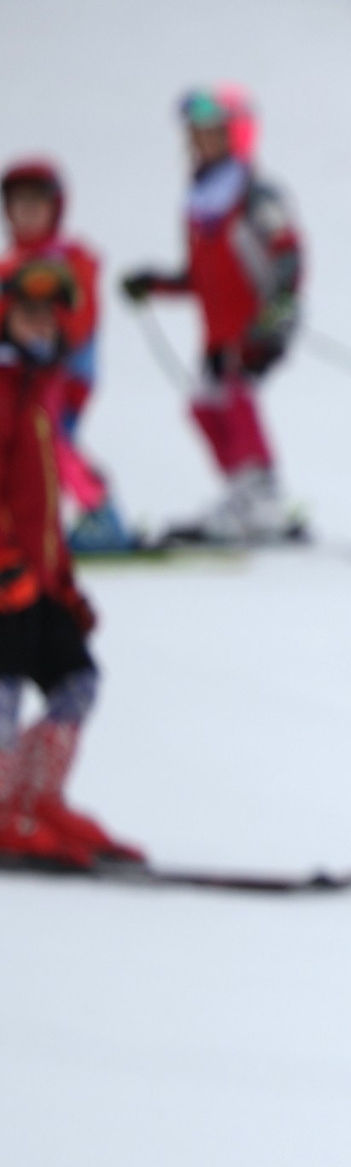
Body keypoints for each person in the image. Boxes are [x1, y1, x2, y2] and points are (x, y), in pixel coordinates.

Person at [0, 256, 140, 868]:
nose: (40, 327)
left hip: (30, 584)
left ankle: (38, 797)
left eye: (48, 317)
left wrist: (62, 584)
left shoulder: (38, 394)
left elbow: (42, 506)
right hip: (4, 581)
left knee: (77, 680)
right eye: (27, 315)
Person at [120, 86, 303, 543]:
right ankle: (243, 493)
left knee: (233, 397)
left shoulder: (255, 195)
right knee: (204, 404)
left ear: (235, 136)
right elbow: (201, 276)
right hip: (218, 330)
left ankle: (263, 501)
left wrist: (279, 307)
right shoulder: (202, 199)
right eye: (195, 135)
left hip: (256, 322)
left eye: (211, 134)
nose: (201, 144)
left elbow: (288, 252)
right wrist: (155, 284)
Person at [0, 159, 132, 551]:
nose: (26, 215)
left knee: (52, 442)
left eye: (35, 206)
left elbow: (80, 313)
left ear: (54, 210)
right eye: (18, 206)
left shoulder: (69, 258)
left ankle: (101, 517)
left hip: (61, 375)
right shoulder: (10, 264)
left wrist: (54, 343)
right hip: (17, 376)